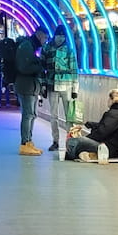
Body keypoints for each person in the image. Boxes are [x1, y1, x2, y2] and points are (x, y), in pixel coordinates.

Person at [42, 23, 78, 151]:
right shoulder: (47, 49)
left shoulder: (69, 50)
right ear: (55, 35)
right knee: (53, 115)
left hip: (66, 85)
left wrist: (75, 89)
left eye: (63, 36)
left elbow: (74, 70)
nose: (60, 38)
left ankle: (70, 141)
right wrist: (43, 85)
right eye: (59, 35)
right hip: (52, 84)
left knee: (69, 115)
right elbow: (42, 67)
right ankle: (55, 141)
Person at [65, 88, 118, 160]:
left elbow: (102, 132)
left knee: (72, 141)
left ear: (112, 100)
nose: (107, 101)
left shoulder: (115, 114)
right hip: (107, 145)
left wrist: (87, 138)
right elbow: (104, 126)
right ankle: (86, 154)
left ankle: (72, 156)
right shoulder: (117, 113)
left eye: (109, 99)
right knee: (79, 141)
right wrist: (88, 124)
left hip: (106, 147)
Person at [14, 27, 48, 155]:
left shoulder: (32, 46)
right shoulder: (27, 46)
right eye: (45, 38)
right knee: (28, 115)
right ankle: (24, 143)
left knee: (33, 114)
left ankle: (29, 141)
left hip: (32, 86)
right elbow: (24, 67)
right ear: (39, 35)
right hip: (26, 86)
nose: (45, 41)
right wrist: (39, 66)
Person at [0, 33, 17, 107]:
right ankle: (7, 102)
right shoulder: (12, 54)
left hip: (2, 71)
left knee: (1, 86)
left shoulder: (1, 53)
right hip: (8, 71)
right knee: (6, 86)